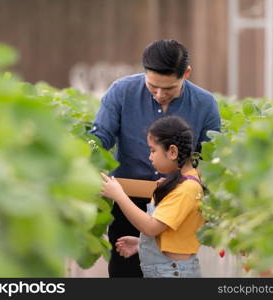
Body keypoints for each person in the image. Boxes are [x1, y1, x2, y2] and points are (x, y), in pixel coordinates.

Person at [90, 39, 221, 277]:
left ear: (186, 74)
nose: (160, 94)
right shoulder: (121, 91)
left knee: (169, 269)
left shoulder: (205, 103)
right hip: (129, 202)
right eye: (153, 87)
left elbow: (210, 159)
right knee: (125, 273)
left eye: (168, 89)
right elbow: (101, 137)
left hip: (176, 205)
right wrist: (86, 157)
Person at [101, 116, 204, 277]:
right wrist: (142, 244)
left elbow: (151, 227)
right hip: (170, 270)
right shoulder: (183, 183)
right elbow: (172, 233)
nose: (150, 157)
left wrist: (119, 196)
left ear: (172, 151)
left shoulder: (186, 189)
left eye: (153, 150)